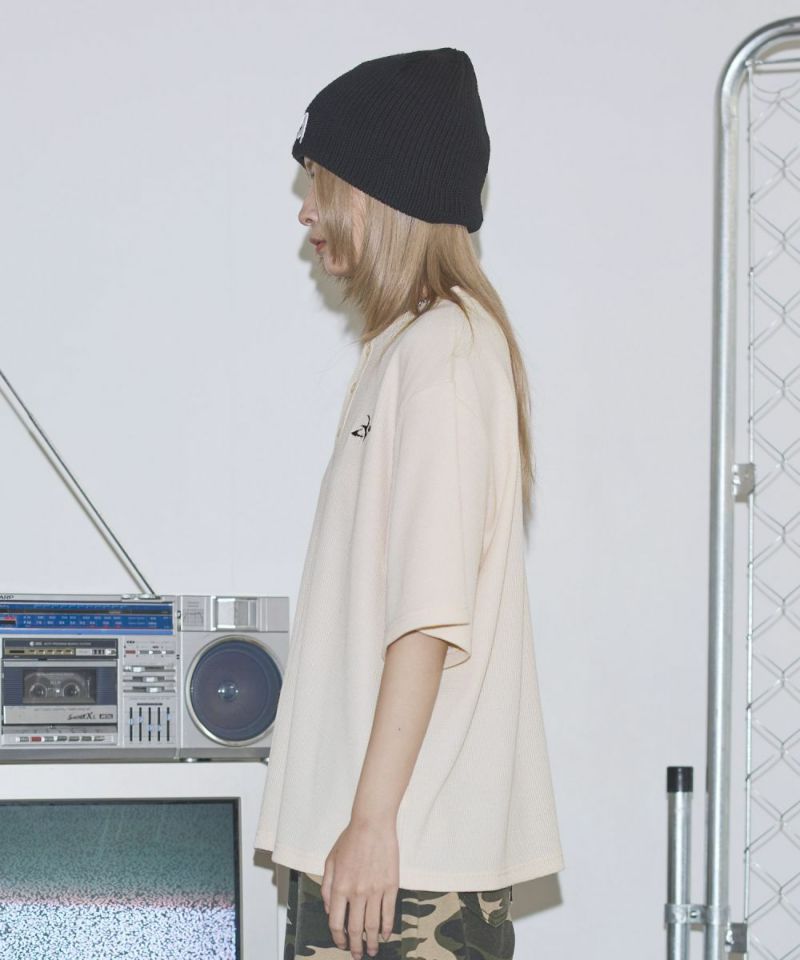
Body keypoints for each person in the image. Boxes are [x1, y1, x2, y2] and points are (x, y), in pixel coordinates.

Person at [254, 47, 565, 960]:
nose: (306, 209)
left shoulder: (444, 353)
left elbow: (428, 617)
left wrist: (372, 822)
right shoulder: (404, 348)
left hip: (404, 863)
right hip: (379, 854)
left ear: (377, 192)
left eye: (321, 181)